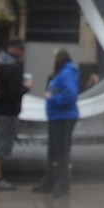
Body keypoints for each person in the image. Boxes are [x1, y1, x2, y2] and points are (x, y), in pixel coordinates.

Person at [0, 38, 28, 191]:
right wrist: (26, 88)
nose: (23, 52)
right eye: (21, 49)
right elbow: (14, 93)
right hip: (8, 111)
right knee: (0, 146)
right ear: (13, 49)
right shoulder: (12, 67)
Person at [34, 47, 79, 198]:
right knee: (54, 152)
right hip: (57, 117)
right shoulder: (62, 74)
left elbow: (70, 94)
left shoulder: (66, 74)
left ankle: (62, 185)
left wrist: (52, 99)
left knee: (62, 153)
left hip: (63, 118)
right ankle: (50, 182)